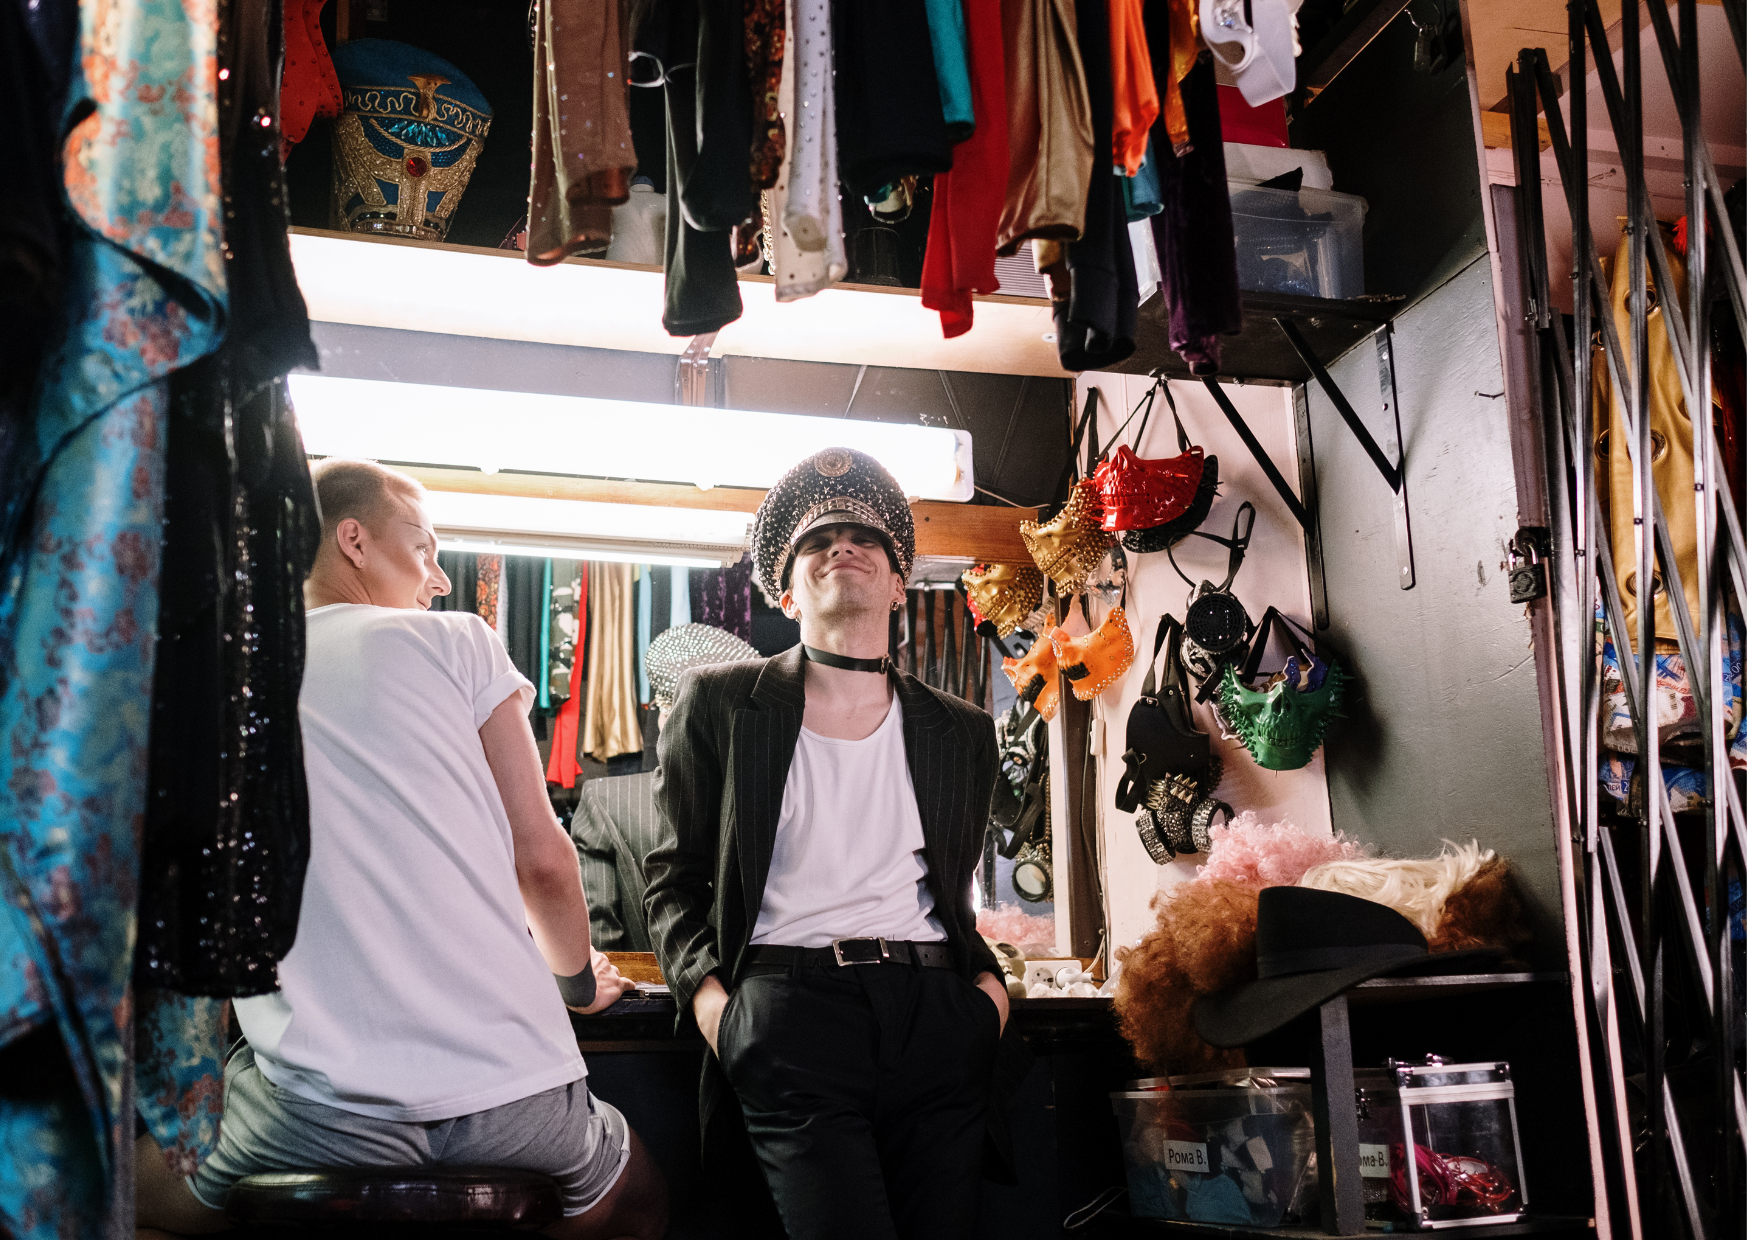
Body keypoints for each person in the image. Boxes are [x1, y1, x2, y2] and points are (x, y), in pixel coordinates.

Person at [135, 458, 668, 1240]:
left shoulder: (219, 674)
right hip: (518, 1108)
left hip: (314, 1114)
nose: (441, 579)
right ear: (352, 540)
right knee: (643, 1202)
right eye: (424, 548)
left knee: (119, 1199)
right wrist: (579, 985)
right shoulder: (461, 641)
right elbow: (544, 861)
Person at [644, 447, 1010, 1240]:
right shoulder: (719, 703)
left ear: (900, 583)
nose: (844, 546)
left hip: (936, 1016)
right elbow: (673, 879)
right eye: (816, 542)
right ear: (785, 592)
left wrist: (988, 997)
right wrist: (716, 1009)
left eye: (865, 538)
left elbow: (952, 888)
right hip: (789, 1014)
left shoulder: (962, 730)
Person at [570, 625, 760, 953]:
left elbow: (599, 944)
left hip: (646, 985)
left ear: (665, 716)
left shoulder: (606, 802)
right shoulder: (778, 803)